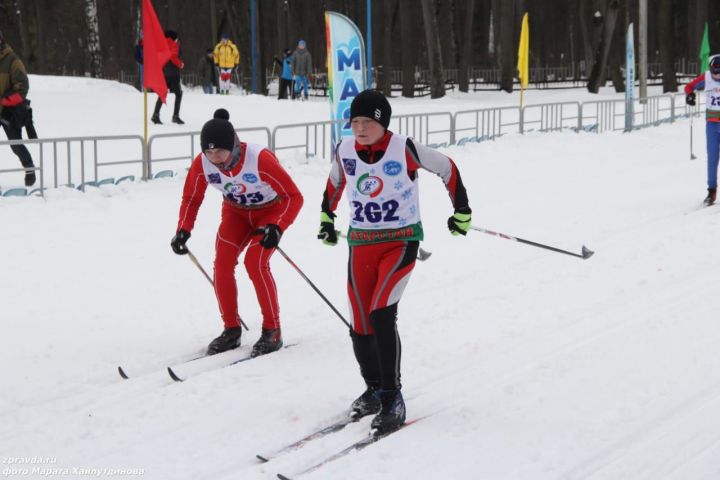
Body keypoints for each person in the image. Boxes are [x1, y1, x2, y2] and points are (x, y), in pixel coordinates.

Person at [316, 90, 472, 434]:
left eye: (367, 121)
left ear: (382, 123)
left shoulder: (404, 148)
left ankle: (392, 396)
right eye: (354, 122)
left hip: (399, 242)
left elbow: (447, 168)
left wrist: (461, 210)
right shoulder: (344, 150)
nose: (359, 128)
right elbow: (334, 183)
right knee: (360, 324)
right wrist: (326, 217)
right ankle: (373, 388)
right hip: (361, 245)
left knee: (382, 314)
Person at [171, 108, 304, 357]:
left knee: (255, 262)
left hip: (269, 212)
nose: (215, 158)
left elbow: (294, 197)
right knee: (222, 264)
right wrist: (183, 230)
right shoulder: (203, 164)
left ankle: (272, 330)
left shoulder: (259, 159)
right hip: (236, 213)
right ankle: (231, 329)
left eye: (220, 151)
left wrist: (278, 226)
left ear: (233, 145)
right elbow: (191, 197)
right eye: (208, 152)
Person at [0, 30, 36, 186]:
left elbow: (22, 89)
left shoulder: (13, 61)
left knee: (15, 144)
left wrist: (4, 101)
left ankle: (30, 169)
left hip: (9, 111)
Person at [686, 54, 720, 206]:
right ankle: (711, 190)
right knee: (712, 158)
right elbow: (689, 86)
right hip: (712, 125)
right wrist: (690, 95)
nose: (717, 77)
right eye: (715, 73)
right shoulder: (706, 77)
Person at [151, 29, 184, 125]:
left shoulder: (160, 44)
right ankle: (175, 116)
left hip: (163, 73)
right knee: (178, 94)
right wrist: (180, 64)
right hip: (173, 73)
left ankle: (155, 115)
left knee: (162, 93)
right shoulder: (173, 44)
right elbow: (173, 57)